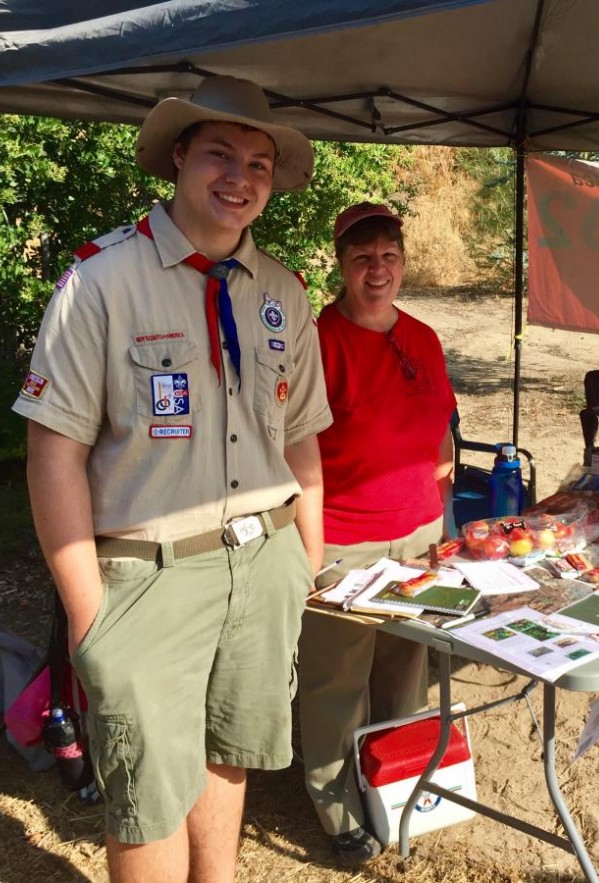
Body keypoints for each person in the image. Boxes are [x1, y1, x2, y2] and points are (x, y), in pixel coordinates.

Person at [13, 75, 332, 883]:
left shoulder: (284, 294)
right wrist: (89, 616)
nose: (240, 177)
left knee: (228, 753)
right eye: (220, 153)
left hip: (262, 565)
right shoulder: (101, 281)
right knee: (147, 795)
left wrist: (305, 561)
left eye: (259, 163)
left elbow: (300, 440)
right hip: (145, 579)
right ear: (180, 157)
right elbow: (54, 453)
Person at [298, 202, 456, 866]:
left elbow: (443, 429)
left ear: (402, 261)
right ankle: (334, 802)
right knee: (336, 677)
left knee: (406, 666)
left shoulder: (421, 335)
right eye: (362, 258)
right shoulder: (319, 340)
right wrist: (308, 552)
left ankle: (397, 779)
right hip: (345, 541)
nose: (377, 270)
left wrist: (441, 515)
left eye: (388, 256)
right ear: (340, 265)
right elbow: (295, 448)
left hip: (417, 533)